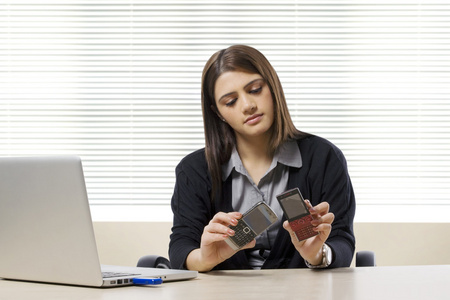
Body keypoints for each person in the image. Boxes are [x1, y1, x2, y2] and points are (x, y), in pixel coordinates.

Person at [169, 45, 355, 272]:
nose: (248, 106)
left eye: (255, 89)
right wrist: (206, 258)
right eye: (230, 102)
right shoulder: (193, 170)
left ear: (273, 86)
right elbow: (181, 247)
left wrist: (317, 253)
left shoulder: (324, 158)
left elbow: (342, 240)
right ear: (218, 113)